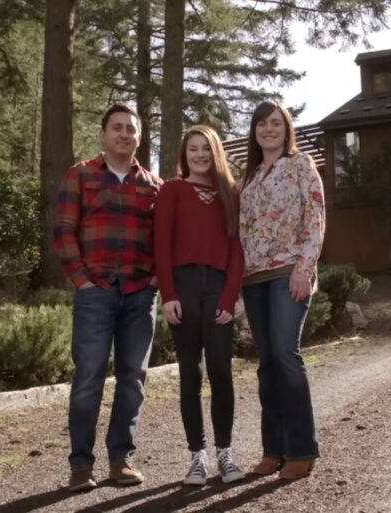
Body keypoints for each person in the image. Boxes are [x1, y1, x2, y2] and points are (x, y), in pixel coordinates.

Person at [54, 102, 162, 493]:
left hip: (139, 294)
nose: (124, 134)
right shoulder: (80, 176)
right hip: (95, 292)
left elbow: (163, 240)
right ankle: (81, 466)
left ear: (139, 137)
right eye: (116, 128)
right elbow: (63, 230)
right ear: (104, 134)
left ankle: (121, 461)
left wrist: (153, 278)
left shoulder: (154, 185)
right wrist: (81, 280)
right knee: (88, 378)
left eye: (130, 129)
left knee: (133, 378)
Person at [154, 125, 246, 486]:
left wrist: (230, 296)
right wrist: (169, 295)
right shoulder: (172, 190)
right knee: (190, 372)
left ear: (216, 152)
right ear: (184, 154)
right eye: (192, 149)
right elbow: (162, 244)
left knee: (221, 370)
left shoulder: (230, 193)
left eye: (205, 149)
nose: (199, 155)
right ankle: (197, 457)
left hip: (218, 288)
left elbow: (238, 248)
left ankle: (225, 453)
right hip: (184, 287)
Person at [238, 100, 325, 480]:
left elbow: (316, 218)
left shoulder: (301, 165)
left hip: (290, 270)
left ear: (286, 128)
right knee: (268, 363)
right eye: (262, 124)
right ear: (254, 131)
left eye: (276, 123)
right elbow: (243, 230)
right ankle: (273, 449)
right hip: (253, 278)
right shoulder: (251, 175)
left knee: (286, 355)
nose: (269, 129)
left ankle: (302, 449)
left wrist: (304, 268)